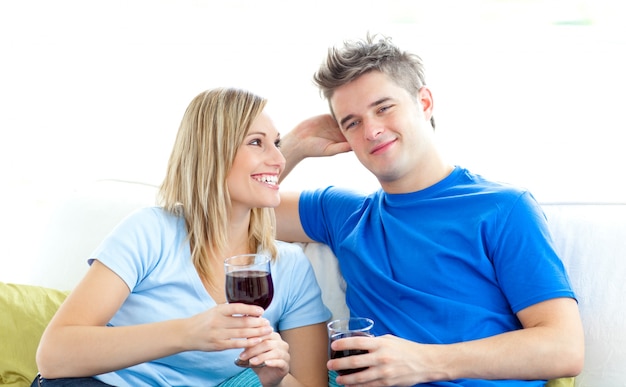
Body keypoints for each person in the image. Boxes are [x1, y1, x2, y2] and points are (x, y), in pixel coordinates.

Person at [275, 34, 585, 386]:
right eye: (352, 122)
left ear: (423, 102)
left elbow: (565, 347)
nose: (372, 130)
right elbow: (216, 211)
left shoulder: (503, 208)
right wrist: (294, 146)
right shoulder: (342, 214)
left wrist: (424, 362)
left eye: (383, 108)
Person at [34, 87, 332, 387]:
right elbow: (54, 354)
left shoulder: (290, 267)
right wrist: (188, 333)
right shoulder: (150, 231)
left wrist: (275, 380)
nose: (279, 159)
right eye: (257, 142)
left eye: (277, 143)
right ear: (213, 153)